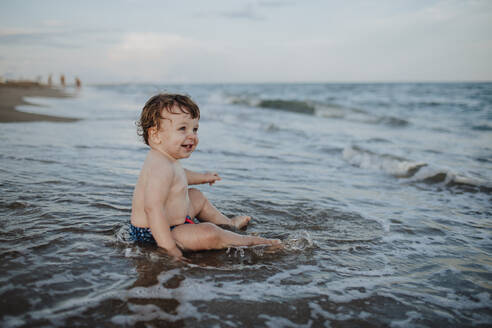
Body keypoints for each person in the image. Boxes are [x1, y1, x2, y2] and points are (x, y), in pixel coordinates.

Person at [130, 94, 281, 259]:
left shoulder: (167, 159)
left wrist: (203, 177)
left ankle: (229, 224)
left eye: (194, 129)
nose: (192, 136)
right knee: (209, 232)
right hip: (156, 233)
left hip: (174, 222)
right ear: (155, 135)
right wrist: (169, 248)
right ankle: (250, 241)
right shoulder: (160, 166)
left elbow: (180, 176)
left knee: (196, 196)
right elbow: (152, 208)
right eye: (182, 129)